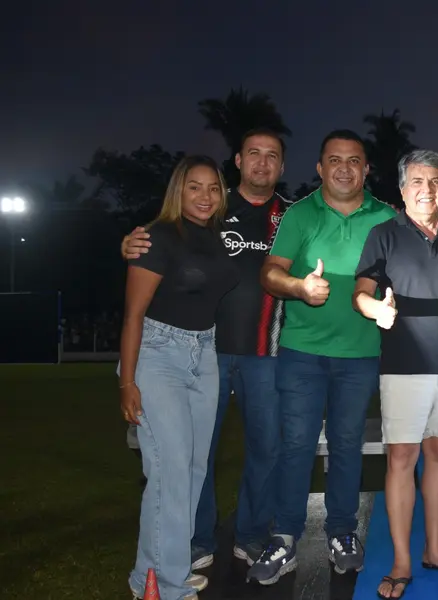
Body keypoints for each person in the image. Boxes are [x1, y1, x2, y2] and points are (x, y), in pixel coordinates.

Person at [120, 128, 290, 569]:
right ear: (237, 160)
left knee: (266, 447)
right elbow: (161, 246)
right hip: (205, 352)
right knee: (195, 453)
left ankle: (251, 534)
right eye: (253, 153)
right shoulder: (210, 207)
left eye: (272, 156)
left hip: (264, 352)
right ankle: (195, 541)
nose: (262, 163)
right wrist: (129, 244)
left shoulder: (292, 216)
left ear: (283, 167)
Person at [251, 129, 397, 585]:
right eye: (335, 160)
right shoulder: (299, 214)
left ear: (367, 168)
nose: (344, 168)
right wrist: (299, 287)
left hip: (361, 354)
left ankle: (341, 532)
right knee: (295, 446)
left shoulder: (387, 216)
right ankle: (286, 535)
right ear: (319, 168)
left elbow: (413, 274)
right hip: (302, 353)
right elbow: (269, 274)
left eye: (354, 160)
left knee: (347, 446)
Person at [353, 149, 438, 599]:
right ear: (402, 189)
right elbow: (361, 293)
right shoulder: (383, 235)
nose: (427, 190)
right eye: (417, 182)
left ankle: (434, 548)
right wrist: (375, 309)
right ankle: (401, 561)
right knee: (402, 461)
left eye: (435, 182)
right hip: (403, 368)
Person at [119, 155, 239, 600]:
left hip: (203, 354)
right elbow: (132, 316)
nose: (205, 196)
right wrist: (127, 382)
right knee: (168, 472)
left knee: (191, 469)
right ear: (178, 190)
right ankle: (157, 584)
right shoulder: (156, 236)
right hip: (158, 354)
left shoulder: (215, 238)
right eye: (194, 187)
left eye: (212, 188)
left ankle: (169, 566)